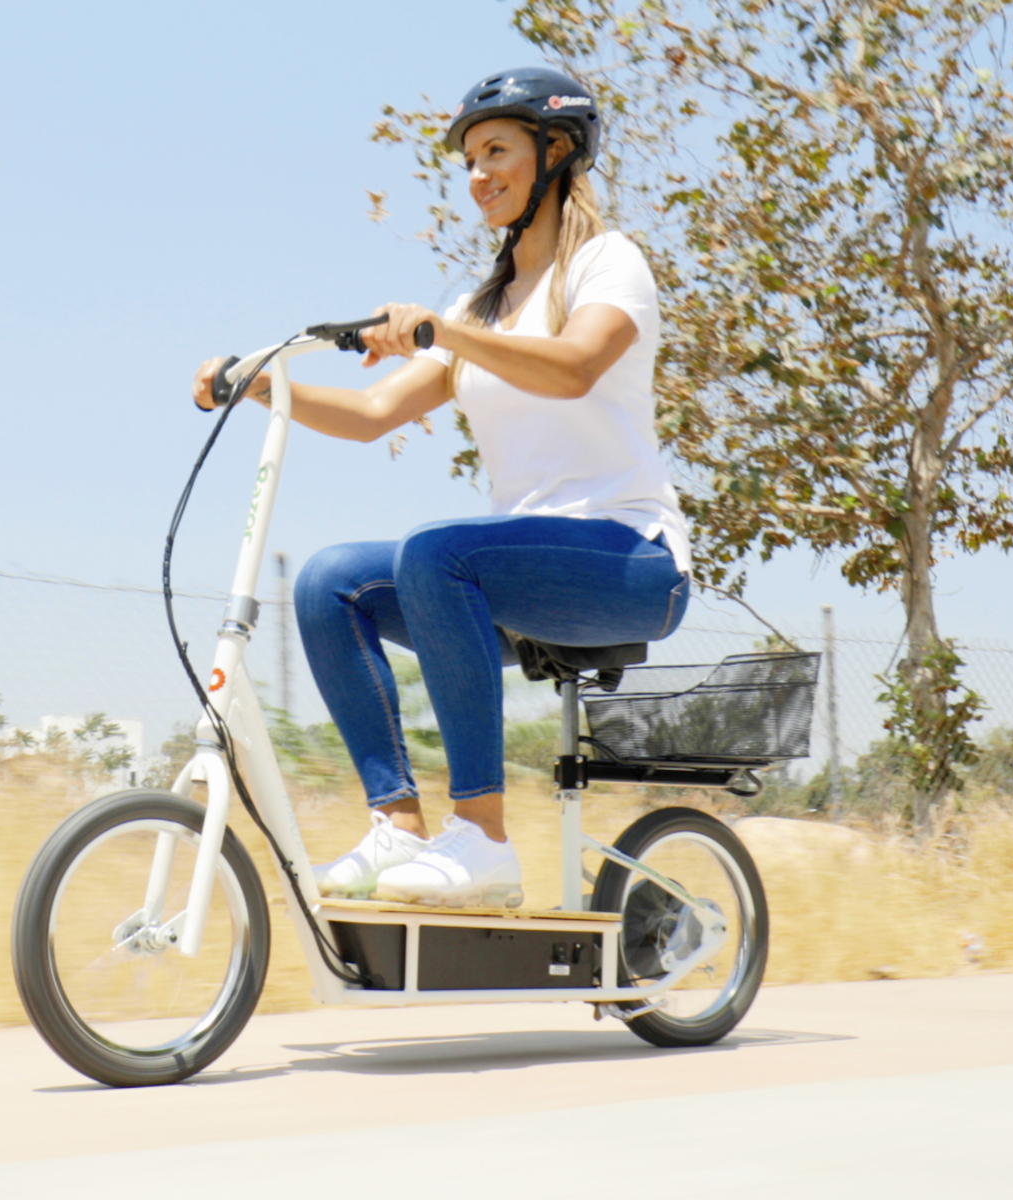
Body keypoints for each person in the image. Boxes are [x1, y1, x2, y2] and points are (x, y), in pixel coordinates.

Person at [192, 67, 691, 909]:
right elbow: (374, 412)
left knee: (436, 553)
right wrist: (261, 386)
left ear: (556, 152)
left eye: (497, 150)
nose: (478, 175)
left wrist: (444, 329)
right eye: (469, 159)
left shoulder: (609, 263)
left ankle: (484, 840)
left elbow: (573, 369)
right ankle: (399, 827)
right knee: (330, 582)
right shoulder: (482, 306)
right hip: (512, 576)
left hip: (630, 562)